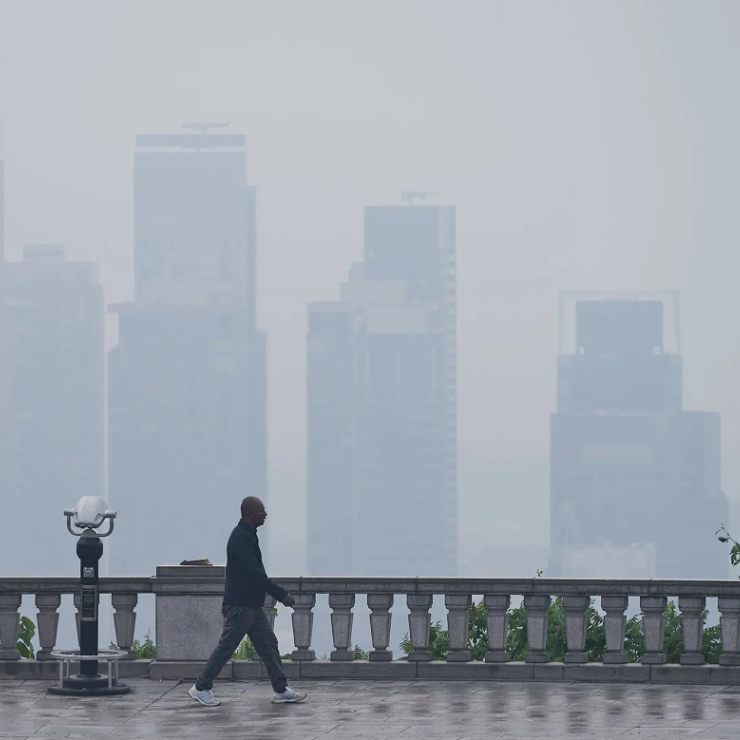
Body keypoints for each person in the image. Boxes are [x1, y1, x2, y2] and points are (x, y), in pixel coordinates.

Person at [188, 497, 308, 706]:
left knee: (269, 645)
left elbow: (233, 573)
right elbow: (255, 575)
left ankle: (281, 690)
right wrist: (282, 595)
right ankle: (201, 687)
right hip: (242, 606)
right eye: (262, 511)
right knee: (226, 648)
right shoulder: (241, 537)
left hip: (252, 606)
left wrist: (227, 599)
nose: (265, 514)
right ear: (250, 513)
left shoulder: (247, 535)